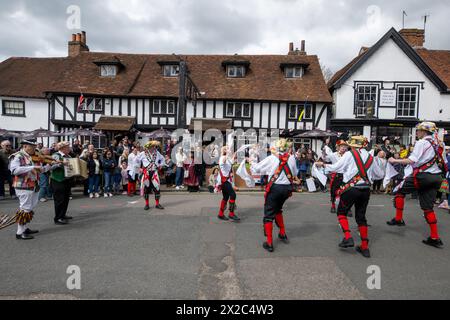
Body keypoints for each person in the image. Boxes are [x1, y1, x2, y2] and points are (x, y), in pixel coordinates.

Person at [387, 122, 447, 248]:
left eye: (418, 130)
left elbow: (411, 160)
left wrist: (394, 160)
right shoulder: (440, 144)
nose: (417, 133)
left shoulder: (422, 143)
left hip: (422, 176)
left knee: (399, 191)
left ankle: (398, 219)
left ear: (424, 132)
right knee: (427, 208)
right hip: (436, 177)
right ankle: (434, 237)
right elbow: (444, 162)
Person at [317, 136, 374, 258]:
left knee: (341, 212)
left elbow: (336, 167)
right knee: (361, 217)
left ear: (352, 145)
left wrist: (324, 165)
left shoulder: (349, 154)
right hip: (365, 189)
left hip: (351, 189)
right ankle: (365, 247)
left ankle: (348, 237)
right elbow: (379, 173)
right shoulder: (370, 157)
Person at [250, 139, 298, 252]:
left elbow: (257, 169)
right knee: (278, 209)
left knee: (269, 214)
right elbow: (295, 173)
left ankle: (269, 242)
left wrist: (252, 161)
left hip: (275, 188)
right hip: (287, 189)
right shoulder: (291, 158)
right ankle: (282, 233)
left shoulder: (272, 158)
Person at [9, 140, 53, 240]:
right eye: (32, 146)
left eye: (34, 146)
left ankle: (24, 228)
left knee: (30, 207)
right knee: (25, 208)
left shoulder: (33, 156)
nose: (34, 148)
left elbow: (41, 170)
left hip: (33, 185)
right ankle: (19, 232)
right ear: (25, 146)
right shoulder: (17, 156)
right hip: (23, 185)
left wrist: (50, 165)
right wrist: (31, 167)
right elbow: (14, 170)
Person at [50, 141, 73, 225]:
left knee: (66, 199)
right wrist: (60, 164)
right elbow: (51, 167)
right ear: (62, 148)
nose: (69, 148)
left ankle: (62, 215)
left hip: (67, 180)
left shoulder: (69, 156)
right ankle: (58, 218)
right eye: (67, 147)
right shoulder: (55, 155)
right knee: (59, 200)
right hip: (57, 180)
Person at [138, 141, 165, 211]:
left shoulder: (157, 153)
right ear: (148, 147)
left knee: (157, 188)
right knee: (146, 189)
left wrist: (161, 165)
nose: (154, 148)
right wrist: (139, 168)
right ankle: (147, 204)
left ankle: (157, 204)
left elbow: (162, 159)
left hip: (154, 173)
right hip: (146, 173)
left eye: (154, 147)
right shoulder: (143, 154)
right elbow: (136, 161)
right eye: (152, 147)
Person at [323, 140, 348, 213]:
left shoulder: (348, 155)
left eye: (345, 146)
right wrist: (324, 152)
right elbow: (325, 159)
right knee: (333, 192)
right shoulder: (333, 155)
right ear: (337, 147)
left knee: (347, 192)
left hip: (346, 176)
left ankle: (347, 208)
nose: (343, 148)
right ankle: (333, 205)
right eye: (341, 146)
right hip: (336, 175)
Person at [216, 146, 240, 222]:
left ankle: (220, 214)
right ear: (224, 151)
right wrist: (227, 154)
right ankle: (231, 214)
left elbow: (231, 162)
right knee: (233, 195)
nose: (229, 150)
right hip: (224, 181)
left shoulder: (227, 158)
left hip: (227, 181)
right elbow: (223, 161)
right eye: (227, 149)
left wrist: (234, 155)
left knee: (225, 197)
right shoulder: (222, 158)